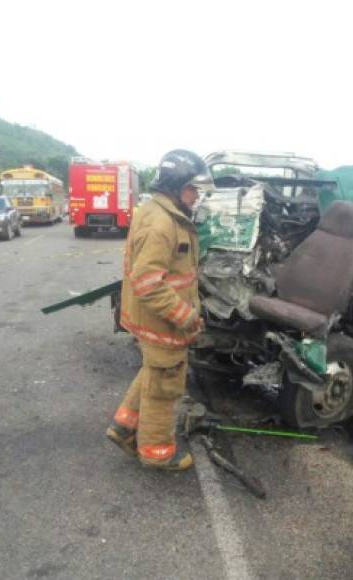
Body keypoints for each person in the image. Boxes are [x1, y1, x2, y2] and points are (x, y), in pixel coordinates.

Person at [106, 150, 211, 471]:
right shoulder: (162, 223)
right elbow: (149, 282)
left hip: (154, 321)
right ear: (177, 186)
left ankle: (124, 427)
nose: (197, 196)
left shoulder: (159, 211)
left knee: (153, 372)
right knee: (165, 389)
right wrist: (187, 318)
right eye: (194, 189)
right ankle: (157, 453)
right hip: (163, 324)